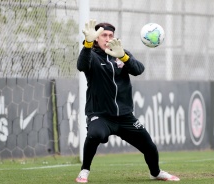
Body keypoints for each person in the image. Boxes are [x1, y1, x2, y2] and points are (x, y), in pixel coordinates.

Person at [75, 19, 180, 183]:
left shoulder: (120, 52)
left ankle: (156, 172)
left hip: (125, 116)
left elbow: (139, 70)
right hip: (101, 115)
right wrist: (87, 44)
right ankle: (84, 171)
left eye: (110, 35)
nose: (108, 38)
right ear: (96, 38)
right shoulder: (92, 56)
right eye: (103, 35)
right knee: (95, 134)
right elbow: (81, 66)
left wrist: (123, 57)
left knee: (149, 146)